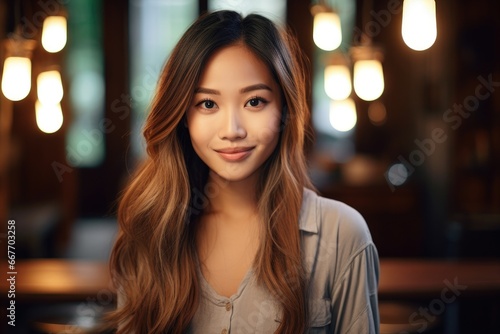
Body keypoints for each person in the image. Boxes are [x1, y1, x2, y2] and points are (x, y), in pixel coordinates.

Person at [106, 10, 379, 334]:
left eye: (254, 102)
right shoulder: (150, 231)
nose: (232, 130)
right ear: (182, 116)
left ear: (285, 109)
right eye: (208, 104)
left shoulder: (342, 234)